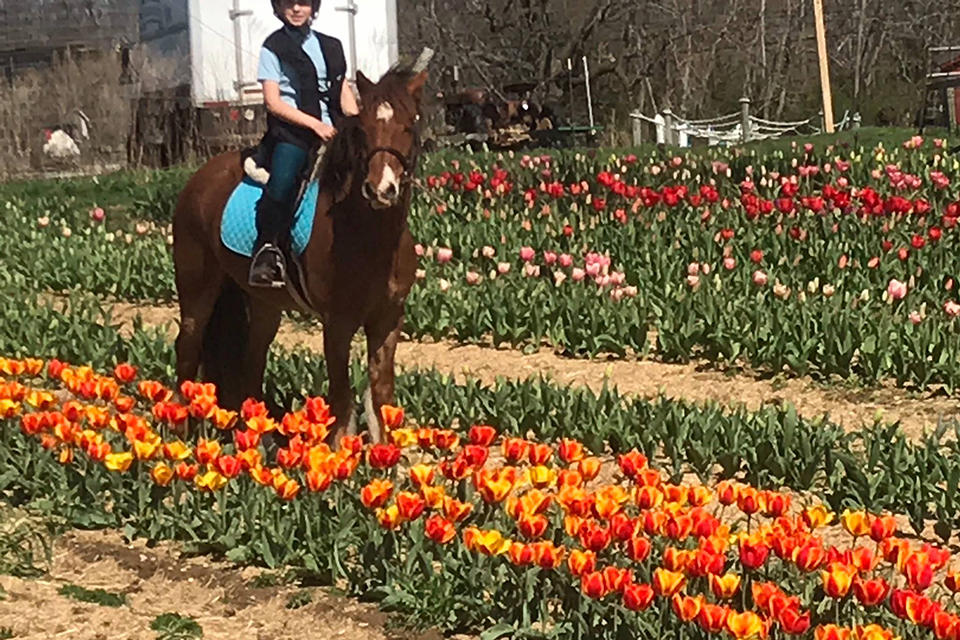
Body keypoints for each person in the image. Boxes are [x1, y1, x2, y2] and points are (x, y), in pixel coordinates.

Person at [249, 0, 360, 288]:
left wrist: (358, 122)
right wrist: (315, 125)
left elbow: (342, 89)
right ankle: (266, 249)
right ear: (279, 8)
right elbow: (273, 102)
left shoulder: (332, 45)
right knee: (283, 181)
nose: (297, 9)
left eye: (303, 3)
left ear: (313, 7)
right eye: (289, 3)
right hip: (293, 133)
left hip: (335, 129)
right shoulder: (272, 47)